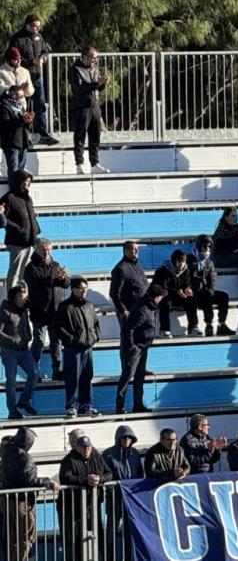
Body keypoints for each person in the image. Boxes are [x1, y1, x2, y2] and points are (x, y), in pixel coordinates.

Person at [1, 427, 59, 561]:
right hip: (22, 502)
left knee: (12, 537)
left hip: (7, 500)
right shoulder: (24, 457)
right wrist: (48, 482)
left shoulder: (7, 451)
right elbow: (30, 481)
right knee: (27, 537)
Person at [57, 432, 112, 561]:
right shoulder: (69, 460)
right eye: (84, 447)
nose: (87, 450)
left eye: (88, 447)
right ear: (77, 448)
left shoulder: (96, 456)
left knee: (98, 535)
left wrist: (100, 479)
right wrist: (85, 480)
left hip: (92, 505)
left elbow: (109, 473)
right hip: (71, 507)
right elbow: (66, 477)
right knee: (73, 539)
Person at [114, 283, 166, 413]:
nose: (161, 299)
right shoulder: (143, 309)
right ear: (154, 297)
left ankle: (138, 404)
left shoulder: (151, 306)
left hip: (143, 347)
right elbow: (128, 329)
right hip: (135, 348)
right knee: (127, 376)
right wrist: (132, 347)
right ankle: (120, 406)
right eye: (160, 297)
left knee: (139, 376)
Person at [54, 276, 100, 418]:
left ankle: (86, 405)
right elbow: (57, 327)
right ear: (73, 289)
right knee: (72, 378)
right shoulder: (65, 306)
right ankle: (71, 406)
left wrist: (95, 336)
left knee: (87, 377)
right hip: (72, 349)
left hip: (88, 348)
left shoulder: (89, 305)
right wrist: (72, 340)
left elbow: (96, 323)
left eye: (85, 289)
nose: (84, 291)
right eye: (81, 289)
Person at [23, 237, 67, 379]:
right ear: (36, 250)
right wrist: (52, 278)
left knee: (56, 342)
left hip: (55, 310)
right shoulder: (30, 267)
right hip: (40, 311)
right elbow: (36, 284)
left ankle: (57, 370)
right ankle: (34, 371)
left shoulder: (55, 264)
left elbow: (65, 284)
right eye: (43, 250)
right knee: (39, 342)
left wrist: (62, 278)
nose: (46, 252)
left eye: (48, 249)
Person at [8, 16, 56, 144]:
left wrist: (43, 58)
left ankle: (43, 134)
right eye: (35, 26)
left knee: (40, 104)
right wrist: (30, 61)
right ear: (27, 25)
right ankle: (25, 135)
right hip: (22, 77)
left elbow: (45, 51)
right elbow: (13, 58)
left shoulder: (39, 37)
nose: (37, 28)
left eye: (39, 26)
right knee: (23, 105)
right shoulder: (17, 38)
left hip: (37, 76)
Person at [67, 46, 111, 175]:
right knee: (80, 136)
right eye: (92, 58)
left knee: (95, 136)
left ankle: (94, 163)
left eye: (96, 58)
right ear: (84, 56)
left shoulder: (95, 68)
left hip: (94, 105)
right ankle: (79, 164)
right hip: (82, 106)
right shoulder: (76, 69)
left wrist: (102, 84)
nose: (94, 60)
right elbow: (78, 90)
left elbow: (96, 88)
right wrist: (97, 84)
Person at [0, 285, 37, 419]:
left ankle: (24, 400)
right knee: (11, 380)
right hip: (9, 351)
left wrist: (29, 336)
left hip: (23, 349)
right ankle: (12, 409)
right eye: (22, 296)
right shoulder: (5, 311)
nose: (24, 298)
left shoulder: (24, 310)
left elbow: (27, 325)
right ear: (15, 298)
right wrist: (12, 340)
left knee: (34, 373)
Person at [187, 234, 235, 335]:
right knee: (204, 296)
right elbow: (185, 278)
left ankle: (221, 324)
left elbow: (211, 281)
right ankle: (208, 324)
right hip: (192, 293)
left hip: (204, 292)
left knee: (222, 296)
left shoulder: (209, 262)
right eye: (205, 246)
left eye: (209, 246)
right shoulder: (189, 259)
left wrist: (210, 291)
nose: (207, 249)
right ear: (199, 246)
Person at [1, 170, 38, 289]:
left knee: (25, 272)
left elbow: (31, 216)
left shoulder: (28, 197)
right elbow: (3, 220)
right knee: (15, 271)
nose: (27, 183)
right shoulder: (9, 197)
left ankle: (23, 297)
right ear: (18, 181)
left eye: (29, 181)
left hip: (29, 240)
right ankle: (11, 296)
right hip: (16, 241)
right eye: (25, 181)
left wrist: (36, 230)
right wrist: (19, 229)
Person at [153, 249, 198, 337]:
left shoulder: (185, 270)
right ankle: (164, 329)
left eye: (183, 262)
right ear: (174, 261)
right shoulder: (163, 269)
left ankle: (193, 327)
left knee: (191, 299)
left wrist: (187, 289)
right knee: (165, 302)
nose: (182, 264)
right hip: (164, 295)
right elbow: (162, 288)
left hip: (178, 295)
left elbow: (186, 283)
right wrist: (176, 291)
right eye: (179, 261)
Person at [0, 85, 33, 178]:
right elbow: (6, 125)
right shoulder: (4, 107)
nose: (23, 99)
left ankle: (20, 191)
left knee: (21, 172)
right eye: (21, 96)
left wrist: (29, 121)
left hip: (23, 142)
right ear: (14, 96)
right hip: (12, 144)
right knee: (14, 171)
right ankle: (13, 191)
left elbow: (26, 126)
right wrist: (22, 120)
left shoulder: (21, 108)